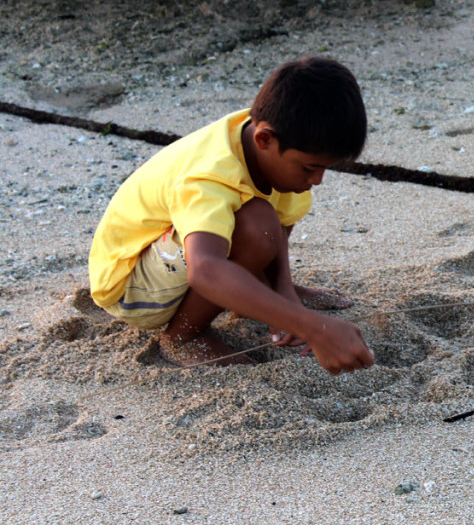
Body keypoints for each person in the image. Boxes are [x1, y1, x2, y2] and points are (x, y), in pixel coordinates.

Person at [88, 55, 375, 374]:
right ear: (264, 139)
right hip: (130, 285)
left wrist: (284, 289)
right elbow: (206, 270)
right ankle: (184, 335)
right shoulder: (210, 174)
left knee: (267, 219)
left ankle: (258, 291)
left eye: (325, 169)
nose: (318, 180)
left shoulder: (264, 136)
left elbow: (281, 223)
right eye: (310, 167)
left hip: (179, 255)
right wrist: (312, 326)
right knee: (256, 224)